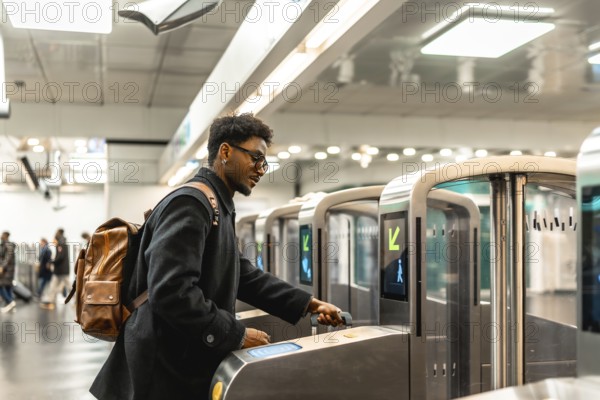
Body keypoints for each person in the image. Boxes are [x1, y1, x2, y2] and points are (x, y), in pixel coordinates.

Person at [90, 113, 345, 400]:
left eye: (265, 162)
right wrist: (234, 334)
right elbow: (171, 291)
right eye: (255, 158)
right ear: (225, 152)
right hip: (162, 369)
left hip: (179, 360)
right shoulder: (192, 204)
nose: (262, 169)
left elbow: (243, 274)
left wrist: (307, 303)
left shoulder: (215, 205)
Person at [40, 230, 71, 310]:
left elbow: (60, 257)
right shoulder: (63, 244)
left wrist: (51, 261)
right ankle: (51, 302)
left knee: (69, 287)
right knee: (53, 287)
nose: (52, 241)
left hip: (61, 271)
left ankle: (79, 301)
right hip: (60, 271)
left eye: (53, 239)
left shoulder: (60, 245)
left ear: (56, 239)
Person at [0, 231, 17, 313]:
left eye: (2, 234)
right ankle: (11, 306)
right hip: (9, 270)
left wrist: (2, 267)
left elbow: (8, 257)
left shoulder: (8, 245)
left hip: (7, 271)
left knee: (1, 286)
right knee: (8, 287)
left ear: (5, 236)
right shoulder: (5, 244)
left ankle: (10, 302)